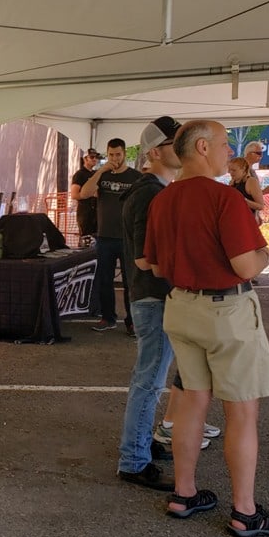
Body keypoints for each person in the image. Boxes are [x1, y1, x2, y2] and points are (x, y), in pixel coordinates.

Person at [144, 120, 269, 537]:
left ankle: (184, 493)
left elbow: (155, 266)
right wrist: (265, 254)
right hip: (227, 312)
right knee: (241, 410)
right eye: (226, 144)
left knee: (192, 403)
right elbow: (246, 264)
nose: (231, 151)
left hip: (181, 307)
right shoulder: (224, 198)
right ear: (204, 147)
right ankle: (244, 512)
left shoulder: (163, 199)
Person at [118, 116, 217, 491]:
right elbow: (146, 258)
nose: (183, 148)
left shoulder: (156, 189)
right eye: (175, 143)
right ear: (155, 152)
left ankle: (141, 447)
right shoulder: (149, 193)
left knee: (152, 378)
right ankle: (133, 460)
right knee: (149, 380)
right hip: (153, 298)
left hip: (156, 297)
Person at [79, 138, 141, 335]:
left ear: (124, 154)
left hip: (127, 236)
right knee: (104, 279)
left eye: (118, 154)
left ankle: (132, 321)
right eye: (111, 154)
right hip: (104, 236)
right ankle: (107, 317)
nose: (115, 158)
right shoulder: (102, 175)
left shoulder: (135, 177)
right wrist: (100, 171)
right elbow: (84, 193)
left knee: (130, 281)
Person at [70, 148, 99, 246]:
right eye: (92, 157)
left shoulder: (95, 173)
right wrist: (90, 194)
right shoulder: (79, 174)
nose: (94, 159)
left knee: (96, 240)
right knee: (86, 241)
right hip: (85, 213)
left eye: (96, 157)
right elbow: (74, 194)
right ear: (85, 159)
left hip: (97, 212)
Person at [228, 157, 264, 224]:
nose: (231, 173)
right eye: (229, 170)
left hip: (247, 222)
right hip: (235, 221)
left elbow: (261, 206)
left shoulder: (251, 181)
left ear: (243, 169)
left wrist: (244, 201)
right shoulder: (232, 182)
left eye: (234, 170)